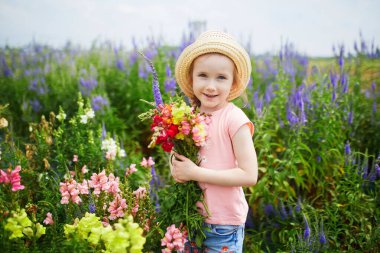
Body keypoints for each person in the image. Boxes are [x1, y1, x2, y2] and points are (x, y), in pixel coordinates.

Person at [171, 30, 259, 253]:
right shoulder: (187, 115)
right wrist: (177, 166)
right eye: (203, 75)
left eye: (221, 77)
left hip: (223, 226)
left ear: (233, 82)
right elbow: (182, 164)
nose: (211, 86)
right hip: (190, 218)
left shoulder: (235, 119)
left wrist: (195, 173)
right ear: (192, 78)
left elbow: (249, 175)